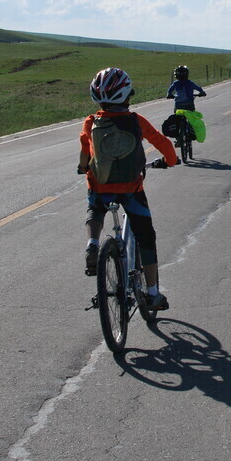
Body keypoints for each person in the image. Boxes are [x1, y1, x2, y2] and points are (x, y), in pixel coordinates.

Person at [78, 67, 177, 310]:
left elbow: (84, 154)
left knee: (95, 210)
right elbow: (162, 143)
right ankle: (153, 294)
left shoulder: (91, 122)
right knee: (146, 237)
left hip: (101, 187)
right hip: (131, 190)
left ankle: (92, 244)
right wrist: (170, 161)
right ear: (127, 95)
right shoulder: (136, 121)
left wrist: (83, 167)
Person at [166, 65, 207, 142]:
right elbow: (198, 88)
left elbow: (169, 91)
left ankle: (178, 138)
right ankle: (191, 131)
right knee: (191, 117)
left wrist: (169, 95)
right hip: (189, 105)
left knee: (177, 118)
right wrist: (202, 93)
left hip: (178, 105)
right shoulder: (190, 83)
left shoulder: (175, 83)